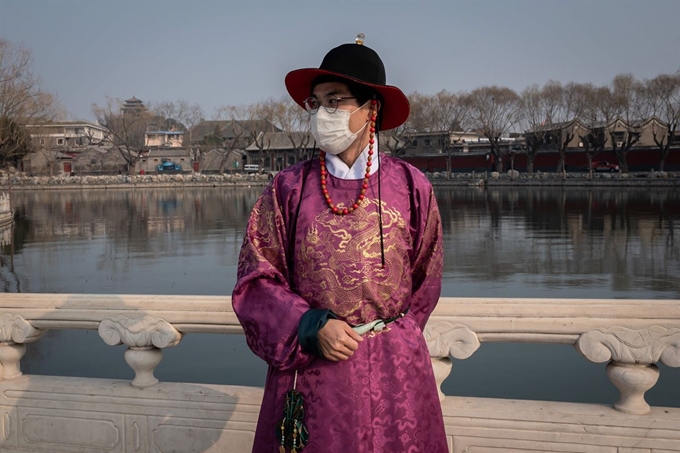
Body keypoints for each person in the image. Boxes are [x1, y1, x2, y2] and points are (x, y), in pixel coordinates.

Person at [232, 35, 447, 452]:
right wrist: (309, 326)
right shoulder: (288, 188)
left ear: (372, 108)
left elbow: (426, 279)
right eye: (316, 103)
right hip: (312, 368)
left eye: (335, 100)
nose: (321, 113)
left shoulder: (411, 186)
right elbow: (255, 278)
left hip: (395, 373)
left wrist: (389, 339)